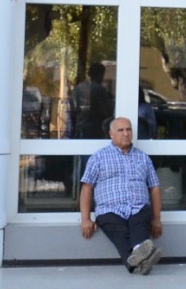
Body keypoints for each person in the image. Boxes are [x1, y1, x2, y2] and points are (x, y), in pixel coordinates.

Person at [79, 116, 165, 273]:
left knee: (140, 221)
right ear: (111, 134)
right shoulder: (98, 157)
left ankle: (137, 258)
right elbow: (87, 188)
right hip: (109, 209)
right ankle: (142, 254)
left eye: (128, 129)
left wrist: (157, 219)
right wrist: (85, 219)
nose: (125, 133)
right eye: (120, 130)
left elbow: (154, 188)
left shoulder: (143, 158)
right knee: (120, 233)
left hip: (138, 207)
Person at [69, 61, 113, 139]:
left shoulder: (78, 88)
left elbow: (72, 110)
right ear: (100, 75)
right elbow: (107, 111)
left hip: (79, 128)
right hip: (94, 130)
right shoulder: (99, 89)